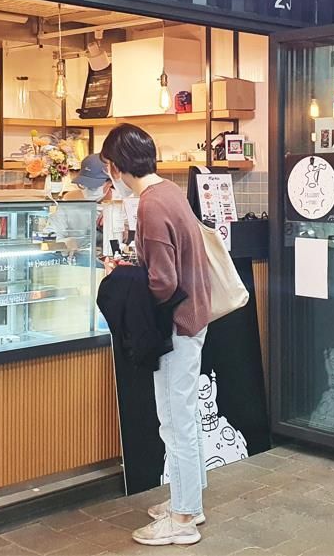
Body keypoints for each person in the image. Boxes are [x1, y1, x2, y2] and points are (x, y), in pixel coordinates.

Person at [100, 124, 212, 547]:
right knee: (184, 417)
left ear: (116, 166)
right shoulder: (169, 192)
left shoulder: (149, 204)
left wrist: (124, 278)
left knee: (175, 422)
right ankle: (190, 503)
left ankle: (182, 519)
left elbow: (163, 282)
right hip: (194, 318)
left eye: (108, 165)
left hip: (176, 327)